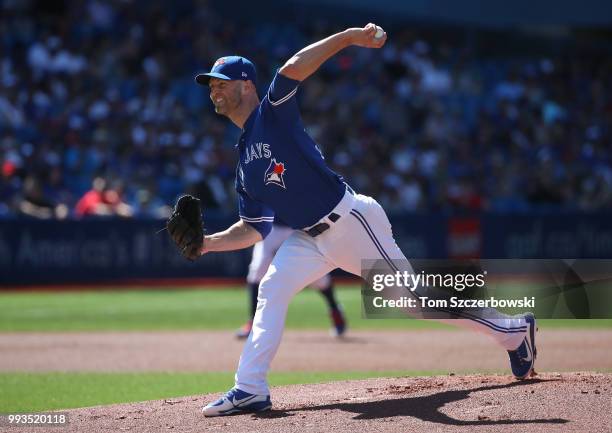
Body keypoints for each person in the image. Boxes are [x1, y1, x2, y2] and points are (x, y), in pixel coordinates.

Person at [193, 24, 537, 416]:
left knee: (415, 301)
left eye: (222, 82)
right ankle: (250, 388)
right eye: (210, 85)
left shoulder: (272, 114)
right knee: (272, 287)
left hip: (351, 222)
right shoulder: (242, 165)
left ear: (246, 86)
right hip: (309, 239)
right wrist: (206, 242)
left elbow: (292, 66)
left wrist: (349, 38)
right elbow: (253, 229)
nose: (214, 90)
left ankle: (514, 331)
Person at [237, 219, 346, 339]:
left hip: (297, 228)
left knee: (319, 278)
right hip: (271, 228)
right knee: (257, 271)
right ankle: (253, 321)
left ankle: (335, 310)